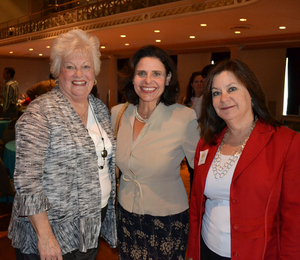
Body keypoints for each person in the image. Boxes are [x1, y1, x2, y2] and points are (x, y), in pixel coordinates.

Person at [8, 29, 117, 260]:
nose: (79, 74)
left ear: (95, 72)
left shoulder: (99, 109)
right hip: (51, 231)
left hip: (90, 223)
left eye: (86, 66)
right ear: (58, 72)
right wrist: (45, 235)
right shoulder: (40, 112)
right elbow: (27, 182)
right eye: (70, 66)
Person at [188, 59, 300, 260]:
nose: (224, 98)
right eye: (216, 93)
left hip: (257, 253)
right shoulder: (206, 144)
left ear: (251, 92)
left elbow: (295, 217)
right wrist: (194, 251)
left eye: (232, 89)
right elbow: (197, 204)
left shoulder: (286, 142)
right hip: (208, 249)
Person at [111, 45, 200, 259]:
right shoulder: (118, 114)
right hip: (126, 215)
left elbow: (201, 169)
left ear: (168, 79)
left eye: (156, 74)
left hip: (167, 219)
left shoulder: (184, 118)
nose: (148, 81)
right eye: (141, 73)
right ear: (132, 78)